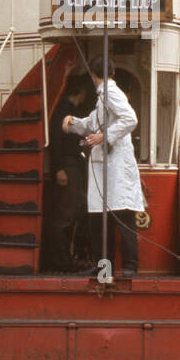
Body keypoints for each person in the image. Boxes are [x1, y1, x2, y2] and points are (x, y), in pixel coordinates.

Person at [62, 55, 144, 277]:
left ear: (93, 74)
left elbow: (130, 119)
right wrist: (74, 124)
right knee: (102, 216)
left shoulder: (111, 93)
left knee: (122, 213)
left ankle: (129, 266)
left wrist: (104, 137)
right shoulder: (103, 97)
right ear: (113, 72)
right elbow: (92, 123)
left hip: (116, 164)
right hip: (106, 165)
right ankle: (104, 267)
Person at [47, 76, 90, 271]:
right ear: (81, 92)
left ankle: (65, 257)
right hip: (68, 165)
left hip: (72, 165)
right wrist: (59, 169)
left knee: (72, 210)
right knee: (65, 213)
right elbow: (56, 141)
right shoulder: (64, 112)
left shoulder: (66, 110)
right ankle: (60, 260)